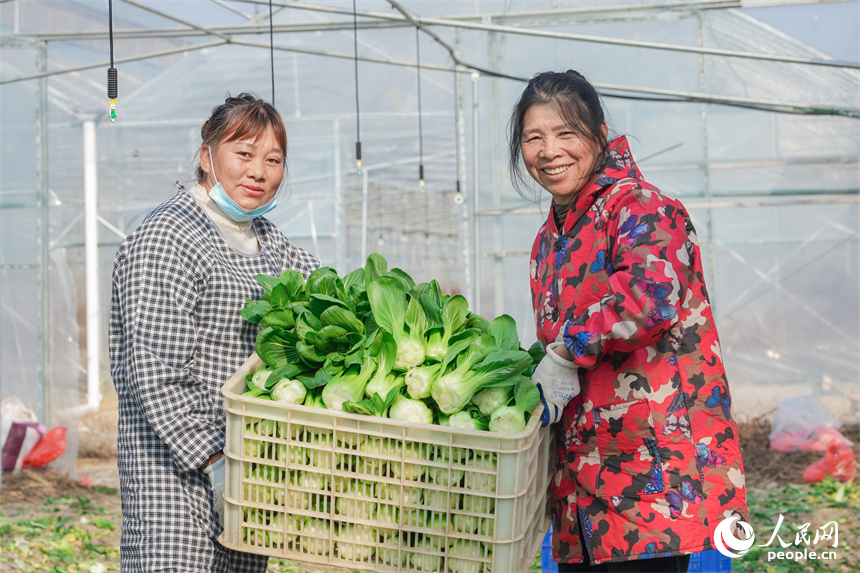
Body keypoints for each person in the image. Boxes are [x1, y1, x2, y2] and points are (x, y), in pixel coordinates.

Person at [516, 71, 747, 572]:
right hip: (583, 489)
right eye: (534, 138)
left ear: (599, 134)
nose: (549, 151)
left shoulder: (640, 207)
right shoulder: (548, 241)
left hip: (651, 484)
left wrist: (565, 351)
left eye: (566, 133)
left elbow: (650, 299)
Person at [109, 93, 319, 572]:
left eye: (273, 160)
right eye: (243, 153)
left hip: (249, 471)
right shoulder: (168, 235)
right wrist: (217, 459)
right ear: (206, 156)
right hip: (176, 476)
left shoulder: (272, 243)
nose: (258, 172)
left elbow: (326, 299)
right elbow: (155, 369)